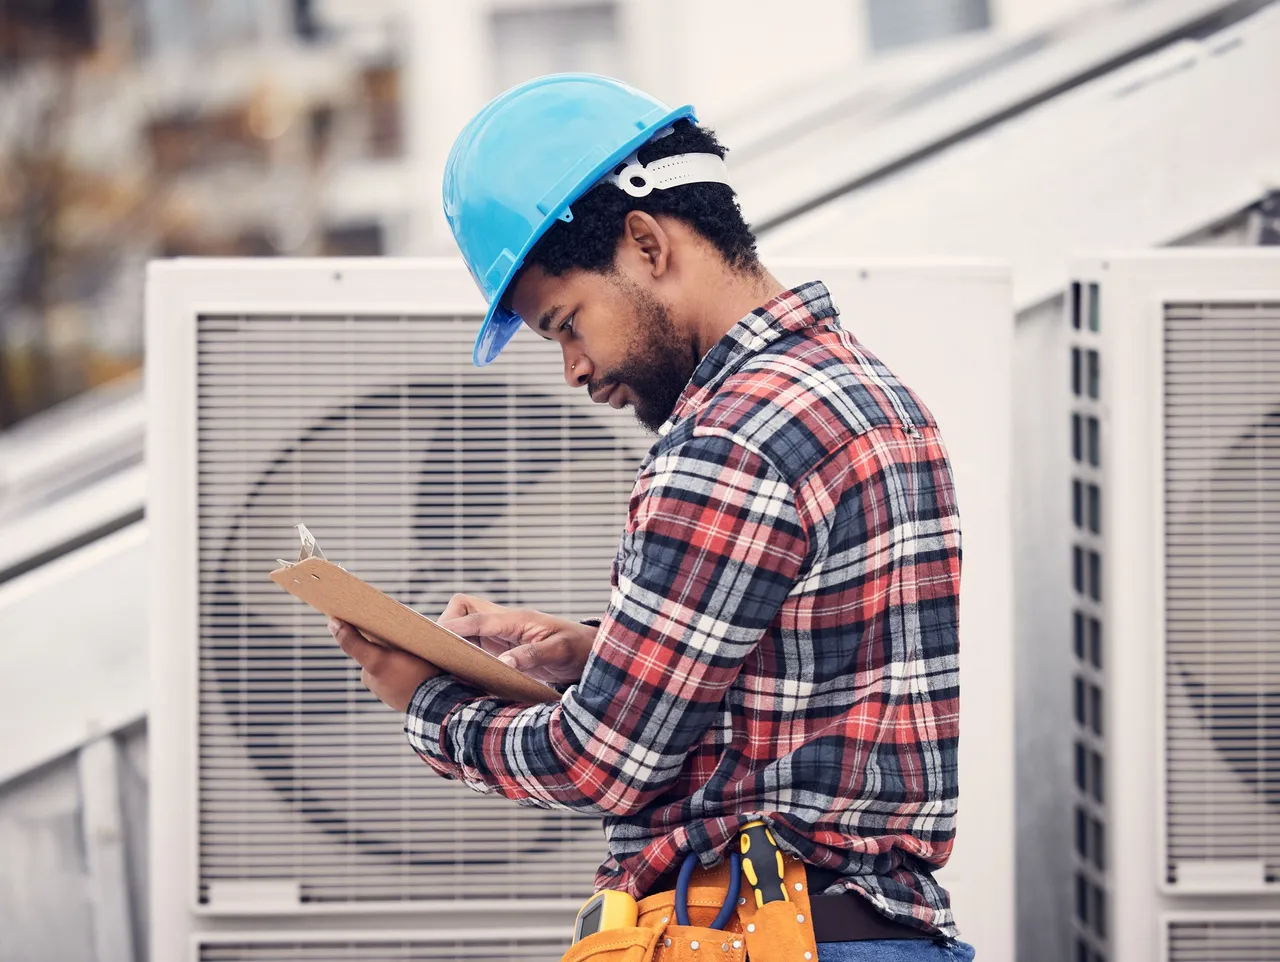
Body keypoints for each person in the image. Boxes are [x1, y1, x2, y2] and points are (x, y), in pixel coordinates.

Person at [329, 74, 973, 962]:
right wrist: (605, 652)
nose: (574, 371)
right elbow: (814, 678)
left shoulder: (730, 437)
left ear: (645, 242)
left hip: (759, 939)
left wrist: (426, 701)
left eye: (566, 324)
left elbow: (601, 761)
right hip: (872, 933)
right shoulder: (873, 394)